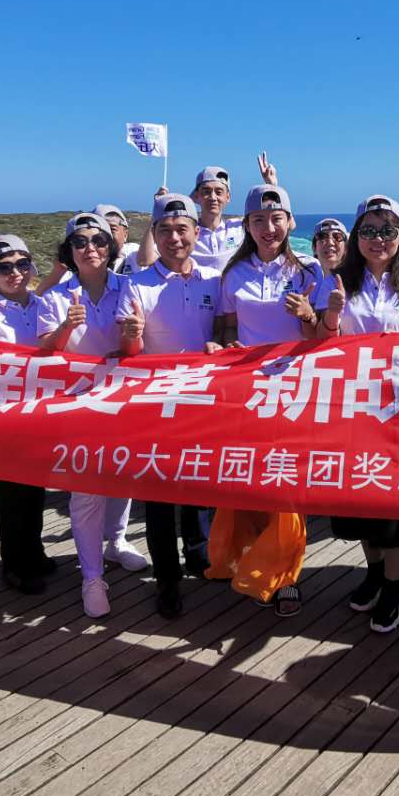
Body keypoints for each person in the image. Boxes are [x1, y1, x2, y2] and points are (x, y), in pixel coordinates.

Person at [318, 195, 399, 633]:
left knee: (396, 506)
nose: (378, 239)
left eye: (387, 230)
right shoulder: (337, 283)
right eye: (368, 230)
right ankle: (372, 572)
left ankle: (393, 586)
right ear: (356, 237)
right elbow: (319, 346)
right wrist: (332, 317)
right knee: (361, 502)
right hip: (352, 410)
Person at [208, 184, 329, 618]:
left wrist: (308, 315)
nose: (268, 227)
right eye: (258, 220)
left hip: (294, 391)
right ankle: (249, 562)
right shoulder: (233, 272)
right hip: (247, 392)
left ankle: (286, 576)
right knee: (249, 481)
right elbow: (226, 327)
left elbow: (323, 336)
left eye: (277, 218)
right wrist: (225, 344)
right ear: (247, 225)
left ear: (291, 222)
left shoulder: (310, 270)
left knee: (286, 489)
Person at [117, 192, 225, 618]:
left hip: (202, 400)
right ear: (155, 234)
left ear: (196, 232)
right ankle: (166, 579)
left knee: (199, 486)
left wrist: (220, 344)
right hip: (155, 406)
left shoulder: (214, 279)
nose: (175, 238)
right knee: (159, 498)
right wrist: (132, 336)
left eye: (182, 229)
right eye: (165, 230)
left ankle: (199, 556)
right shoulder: (135, 283)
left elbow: (224, 331)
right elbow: (128, 351)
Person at [37, 212, 150, 614]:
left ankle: (116, 541)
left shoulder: (129, 287)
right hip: (77, 405)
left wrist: (133, 337)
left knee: (122, 475)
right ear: (68, 250)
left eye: (99, 240)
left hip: (123, 400)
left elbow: (132, 351)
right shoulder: (54, 296)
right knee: (86, 493)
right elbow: (45, 351)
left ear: (111, 246)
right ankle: (91, 577)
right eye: (80, 242)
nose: (90, 249)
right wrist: (66, 327)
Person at [0, 234, 61, 597]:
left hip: (39, 411)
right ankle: (14, 565)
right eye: (4, 267)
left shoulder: (45, 305)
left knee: (35, 490)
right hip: (1, 415)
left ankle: (34, 551)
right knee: (9, 495)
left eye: (21, 264)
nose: (15, 273)